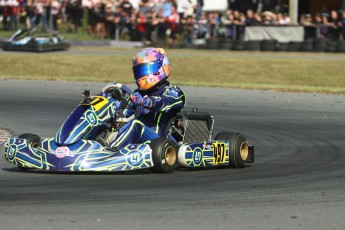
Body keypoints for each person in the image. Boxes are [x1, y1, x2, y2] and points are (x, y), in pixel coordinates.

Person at [110, 48, 185, 150]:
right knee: (110, 118)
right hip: (139, 139)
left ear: (160, 67)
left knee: (136, 125)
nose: (141, 75)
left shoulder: (173, 91)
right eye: (138, 71)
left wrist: (145, 101)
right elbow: (127, 110)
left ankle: (111, 152)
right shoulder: (138, 93)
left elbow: (164, 102)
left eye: (145, 69)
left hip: (159, 141)